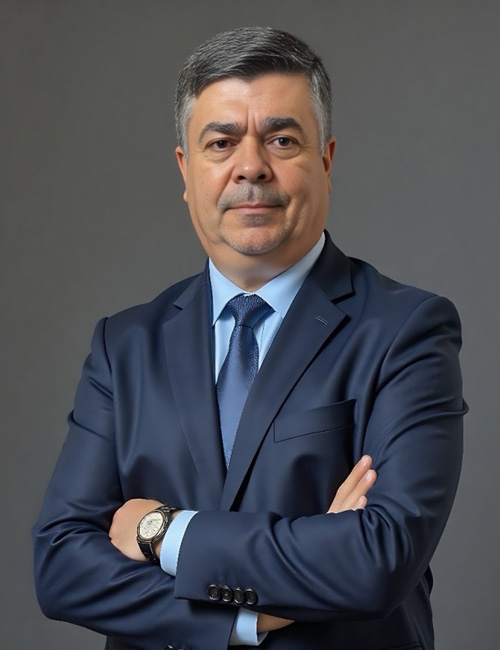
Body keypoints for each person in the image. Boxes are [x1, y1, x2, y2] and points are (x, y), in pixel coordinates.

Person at [33, 27, 466, 650]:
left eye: (282, 140)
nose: (251, 166)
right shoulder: (123, 345)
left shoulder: (408, 331)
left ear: (326, 161)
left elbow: (378, 559)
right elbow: (61, 566)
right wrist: (243, 618)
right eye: (221, 142)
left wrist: (162, 531)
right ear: (186, 170)